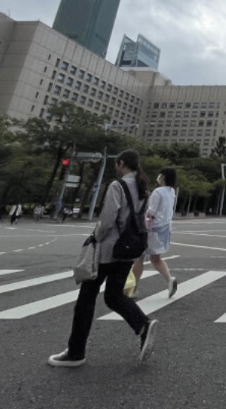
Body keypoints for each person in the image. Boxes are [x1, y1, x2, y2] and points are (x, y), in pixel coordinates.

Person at [48, 149, 158, 367]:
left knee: (86, 299)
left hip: (108, 249)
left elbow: (108, 220)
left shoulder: (118, 186)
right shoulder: (144, 190)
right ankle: (142, 325)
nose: (115, 167)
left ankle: (76, 352)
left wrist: (94, 237)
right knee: (114, 296)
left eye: (117, 164)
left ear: (121, 164)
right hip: (128, 250)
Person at [131, 167, 178, 300]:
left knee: (139, 258)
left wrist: (142, 226)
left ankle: (133, 289)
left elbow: (151, 212)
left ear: (163, 177)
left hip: (151, 228)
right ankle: (169, 279)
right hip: (164, 228)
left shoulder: (158, 191)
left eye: (160, 174)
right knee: (155, 258)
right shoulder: (172, 191)